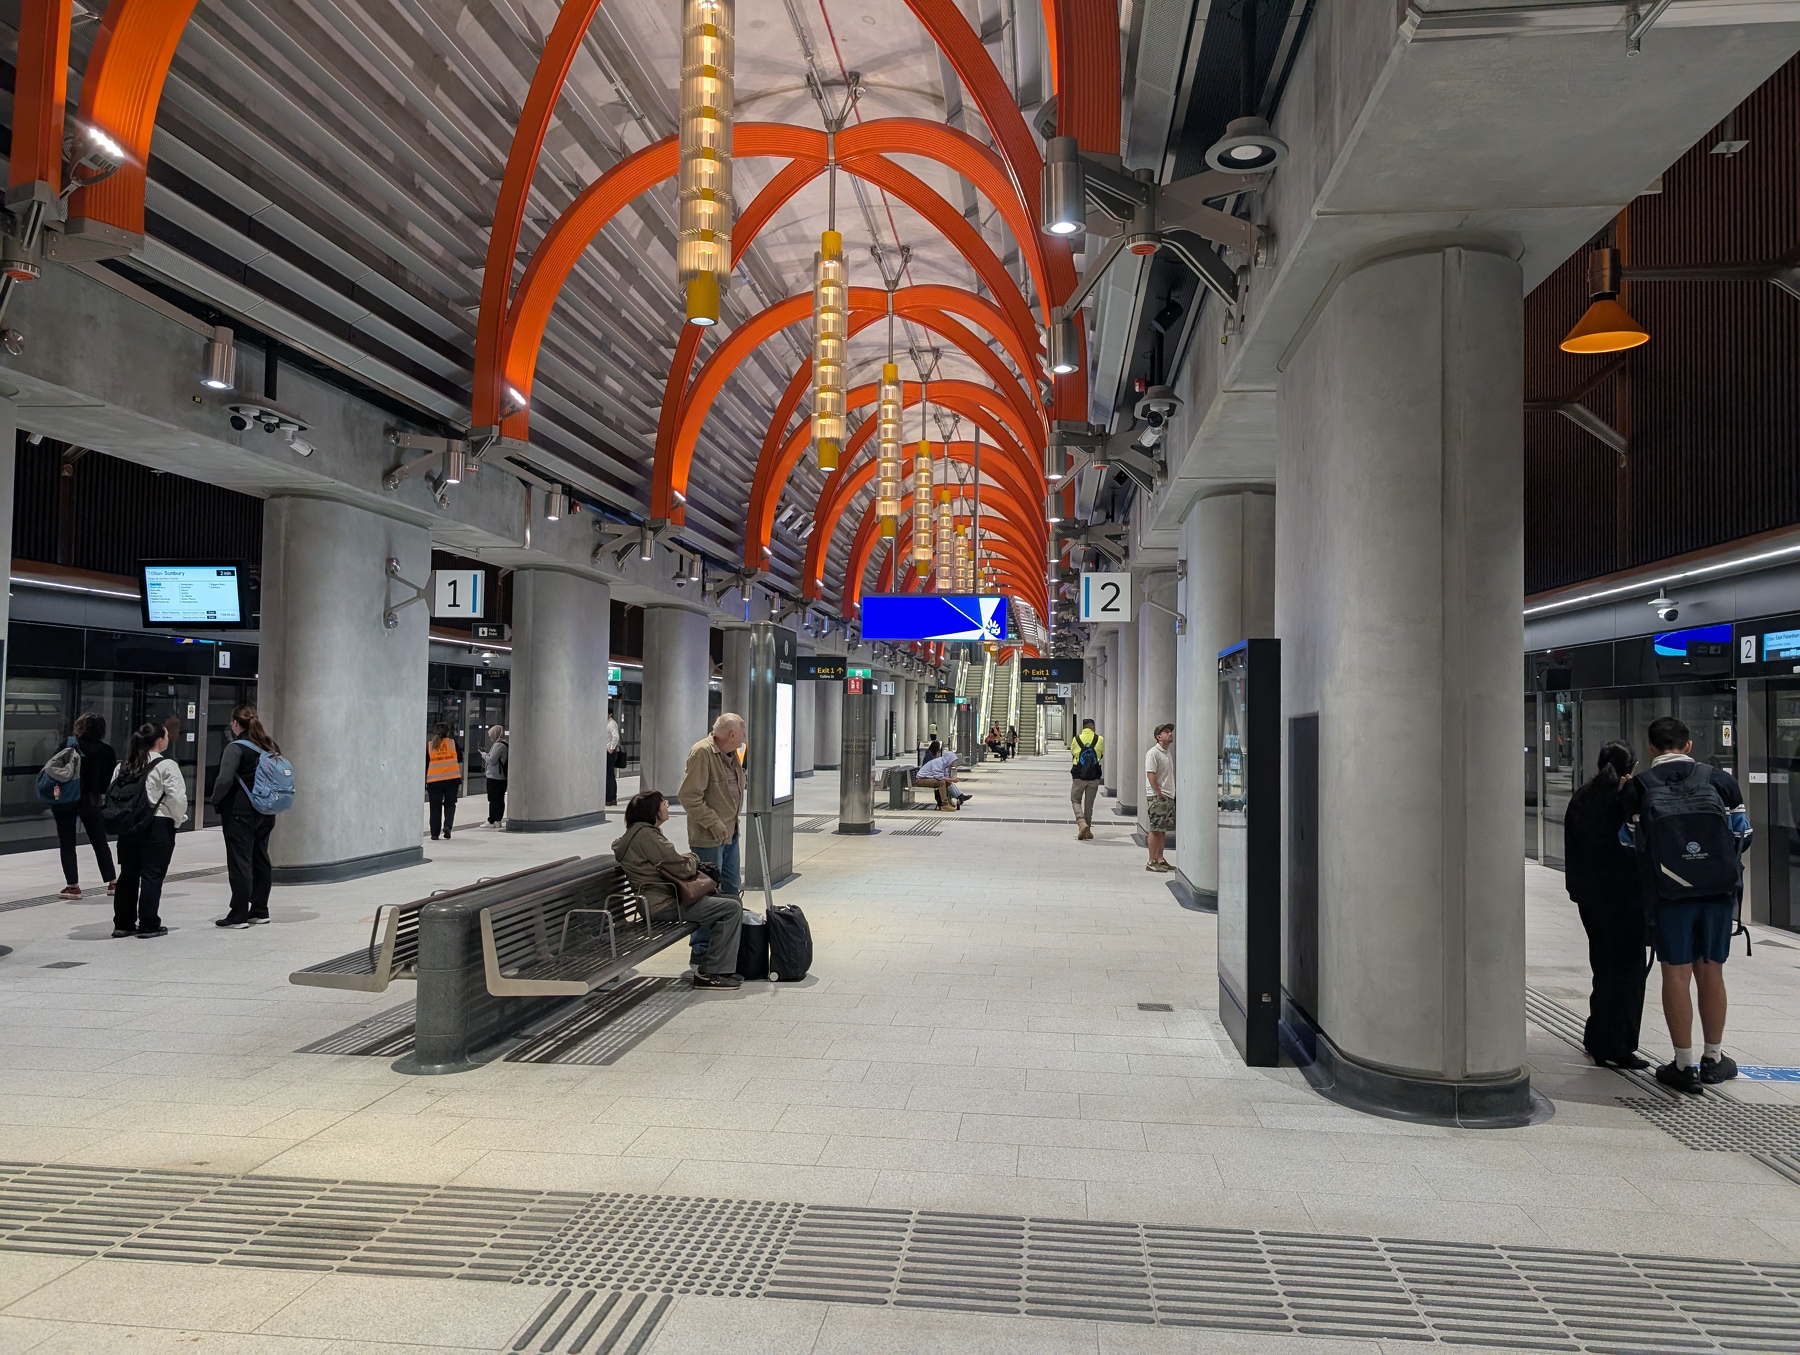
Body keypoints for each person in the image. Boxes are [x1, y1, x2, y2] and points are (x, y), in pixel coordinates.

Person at [1621, 715, 1750, 1095]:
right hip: (1717, 894)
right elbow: (1743, 834)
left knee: (1675, 974)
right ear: (1688, 745)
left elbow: (1628, 841)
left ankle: (1683, 1064)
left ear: (1650, 746)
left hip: (1668, 895)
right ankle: (1714, 1059)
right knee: (1712, 972)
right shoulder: (1719, 780)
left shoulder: (1641, 785)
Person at [1563, 740, 1649, 1070]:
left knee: (1602, 966)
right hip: (1625, 899)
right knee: (1628, 971)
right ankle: (1618, 1043)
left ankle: (1597, 1034)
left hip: (1590, 899)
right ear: (1632, 767)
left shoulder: (1582, 798)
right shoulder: (1625, 800)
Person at [613, 789, 744, 989]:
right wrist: (694, 857)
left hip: (663, 899)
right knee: (730, 908)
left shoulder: (643, 833)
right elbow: (681, 867)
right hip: (662, 905)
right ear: (653, 811)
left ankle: (714, 965)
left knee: (732, 901)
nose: (667, 804)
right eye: (662, 802)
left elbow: (671, 862)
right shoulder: (646, 836)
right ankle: (712, 973)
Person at [110, 722, 187, 939]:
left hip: (128, 826)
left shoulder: (123, 766)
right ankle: (148, 923)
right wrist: (178, 820)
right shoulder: (167, 765)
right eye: (166, 735)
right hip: (158, 825)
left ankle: (123, 923)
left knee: (128, 875)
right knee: (152, 875)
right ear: (160, 740)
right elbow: (177, 798)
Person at [213, 706, 279, 929]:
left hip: (240, 812)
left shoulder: (235, 748)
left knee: (240, 862)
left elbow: (224, 780)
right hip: (266, 811)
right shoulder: (270, 746)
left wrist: (216, 800)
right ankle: (260, 910)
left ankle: (238, 915)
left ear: (235, 723)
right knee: (261, 859)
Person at [679, 712, 746, 897]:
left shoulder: (732, 754)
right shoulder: (702, 752)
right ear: (732, 734)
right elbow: (689, 797)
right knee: (710, 888)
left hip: (730, 832)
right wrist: (713, 822)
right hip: (709, 837)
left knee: (732, 884)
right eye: (743, 731)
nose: (744, 736)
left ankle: (734, 916)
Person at [52, 712, 117, 900]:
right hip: (91, 800)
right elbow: (107, 782)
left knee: (67, 842)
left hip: (66, 800)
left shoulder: (68, 745)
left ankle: (73, 886)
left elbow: (53, 769)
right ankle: (112, 882)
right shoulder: (107, 751)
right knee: (99, 840)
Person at [1144, 722, 1176, 873]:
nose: (1170, 734)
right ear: (1158, 737)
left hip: (1168, 795)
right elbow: (1150, 774)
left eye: (1170, 732)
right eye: (1166, 732)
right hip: (1158, 797)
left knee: (1162, 830)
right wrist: (1158, 793)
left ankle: (1160, 859)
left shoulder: (1167, 753)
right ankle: (1151, 861)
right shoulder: (1153, 753)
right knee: (1155, 828)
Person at [1070, 717, 1104, 840]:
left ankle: (1081, 823)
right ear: (1092, 727)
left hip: (1079, 775)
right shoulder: (1099, 739)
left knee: (1075, 800)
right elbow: (1101, 755)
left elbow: (1073, 753)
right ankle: (1087, 829)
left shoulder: (1076, 739)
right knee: (1089, 804)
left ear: (1083, 727)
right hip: (1094, 776)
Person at [426, 723, 461, 840]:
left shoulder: (430, 745)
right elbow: (460, 758)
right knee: (450, 804)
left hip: (434, 780)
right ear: (448, 732)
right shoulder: (452, 743)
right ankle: (447, 826)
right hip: (452, 779)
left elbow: (426, 763)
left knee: (435, 807)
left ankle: (434, 833)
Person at [483, 725, 509, 827]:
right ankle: (498, 820)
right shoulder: (505, 743)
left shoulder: (498, 745)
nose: (490, 739)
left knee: (493, 799)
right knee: (499, 799)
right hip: (502, 777)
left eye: (491, 736)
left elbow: (492, 760)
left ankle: (492, 820)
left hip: (495, 777)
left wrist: (484, 755)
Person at [606, 707, 620, 806]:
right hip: (609, 751)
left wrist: (611, 747)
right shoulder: (608, 723)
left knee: (609, 776)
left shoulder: (611, 723)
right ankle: (612, 798)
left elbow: (616, 736)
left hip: (609, 752)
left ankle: (609, 798)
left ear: (610, 714)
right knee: (610, 775)